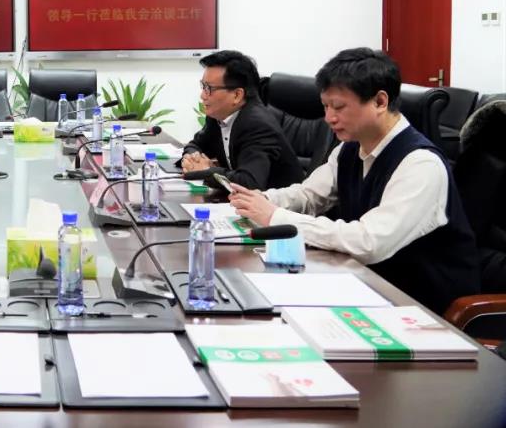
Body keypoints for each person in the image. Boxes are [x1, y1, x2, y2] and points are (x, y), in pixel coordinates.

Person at [229, 48, 479, 313]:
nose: (329, 118)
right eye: (325, 106)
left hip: (422, 308)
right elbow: (309, 195)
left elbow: (369, 242)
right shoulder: (350, 149)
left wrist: (276, 217)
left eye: (339, 107)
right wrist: (261, 200)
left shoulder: (420, 164)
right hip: (367, 286)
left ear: (380, 102)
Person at [180, 50, 305, 190]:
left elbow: (249, 182)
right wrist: (192, 159)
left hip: (276, 201)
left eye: (209, 88)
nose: (203, 95)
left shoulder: (257, 125)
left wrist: (208, 171)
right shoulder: (218, 114)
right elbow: (195, 145)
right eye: (203, 86)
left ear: (237, 95)